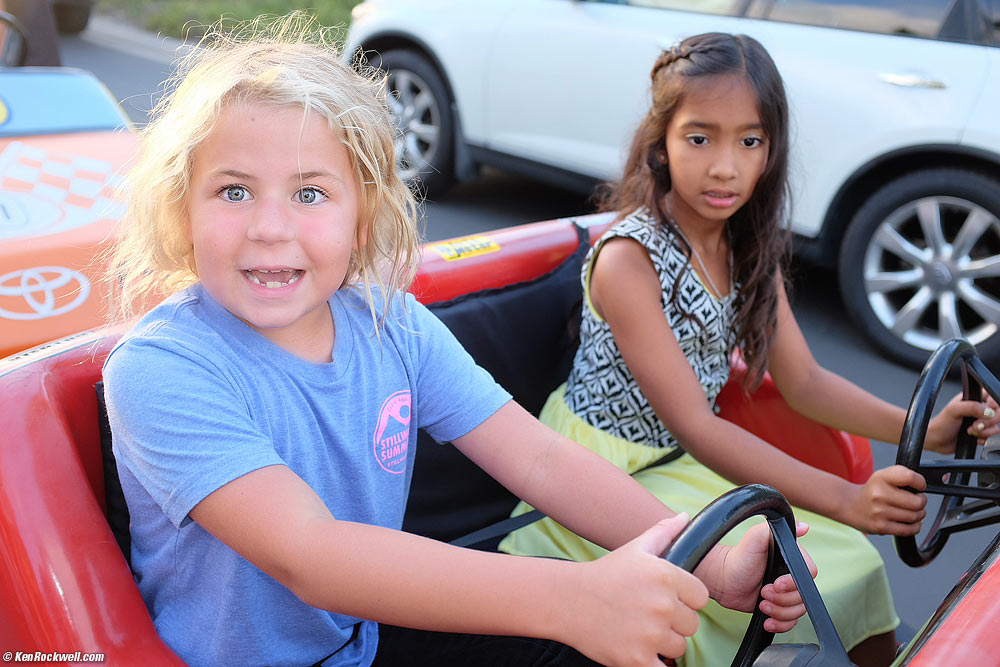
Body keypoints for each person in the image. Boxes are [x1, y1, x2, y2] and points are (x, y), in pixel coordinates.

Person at [100, 15, 816, 667]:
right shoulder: (162, 368)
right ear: (179, 208)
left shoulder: (391, 323)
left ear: (363, 215)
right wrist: (575, 596)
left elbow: (537, 458)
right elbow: (311, 554)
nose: (270, 227)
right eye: (233, 191)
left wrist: (711, 561)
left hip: (363, 633)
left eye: (310, 193)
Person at [498, 32, 1000, 667]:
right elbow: (698, 424)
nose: (725, 167)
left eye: (750, 141)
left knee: (849, 561)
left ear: (772, 150)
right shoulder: (630, 259)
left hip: (678, 461)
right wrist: (846, 496)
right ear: (661, 145)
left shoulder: (744, 248)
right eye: (700, 138)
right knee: (724, 594)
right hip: (601, 472)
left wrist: (918, 428)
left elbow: (805, 383)